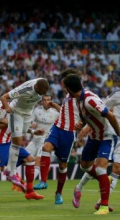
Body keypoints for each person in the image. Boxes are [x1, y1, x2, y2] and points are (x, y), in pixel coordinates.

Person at [73, 71, 120, 210]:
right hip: (111, 133)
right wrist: (86, 126)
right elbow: (100, 109)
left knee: (117, 168)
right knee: (100, 167)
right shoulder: (118, 95)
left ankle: (101, 202)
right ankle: (79, 188)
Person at [62, 73, 120, 215]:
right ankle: (100, 184)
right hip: (93, 137)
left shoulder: (89, 100)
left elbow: (111, 115)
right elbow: (89, 116)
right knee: (85, 166)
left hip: (106, 137)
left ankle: (103, 206)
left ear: (70, 89)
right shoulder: (79, 99)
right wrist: (82, 124)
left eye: (66, 88)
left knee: (101, 170)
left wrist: (119, 133)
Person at [34, 68, 81, 205]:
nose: (62, 83)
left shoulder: (80, 97)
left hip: (69, 132)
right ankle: (43, 181)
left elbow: (85, 113)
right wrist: (55, 105)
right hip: (57, 128)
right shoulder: (67, 96)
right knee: (46, 147)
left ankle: (58, 193)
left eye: (64, 81)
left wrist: (83, 124)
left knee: (62, 165)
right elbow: (65, 112)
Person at [0, 78, 49, 200]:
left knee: (22, 144)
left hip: (27, 114)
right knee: (17, 141)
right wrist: (6, 107)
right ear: (36, 87)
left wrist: (33, 132)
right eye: (41, 92)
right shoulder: (26, 88)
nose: (42, 95)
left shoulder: (40, 90)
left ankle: (29, 190)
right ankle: (10, 172)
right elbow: (4, 97)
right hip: (16, 111)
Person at [27, 95, 59, 182]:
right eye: (44, 100)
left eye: (48, 100)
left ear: (51, 101)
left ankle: (28, 185)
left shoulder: (56, 113)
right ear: (42, 102)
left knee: (38, 161)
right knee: (23, 158)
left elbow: (64, 117)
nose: (47, 102)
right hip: (35, 140)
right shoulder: (37, 111)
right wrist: (32, 125)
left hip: (45, 140)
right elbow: (29, 123)